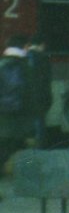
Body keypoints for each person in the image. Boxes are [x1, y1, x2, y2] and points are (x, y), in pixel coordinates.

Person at [0, 34, 31, 171]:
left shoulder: (3, 63)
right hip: (13, 111)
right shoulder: (18, 64)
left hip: (6, 109)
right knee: (10, 143)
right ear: (24, 46)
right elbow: (18, 87)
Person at [24, 35, 52, 149]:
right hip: (39, 96)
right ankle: (39, 147)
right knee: (39, 122)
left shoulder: (24, 57)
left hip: (26, 96)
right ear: (42, 45)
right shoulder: (43, 57)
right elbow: (46, 80)